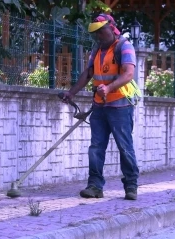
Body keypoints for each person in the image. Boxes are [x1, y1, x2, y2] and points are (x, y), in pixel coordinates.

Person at [61, 13, 140, 200]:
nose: (98, 35)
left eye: (101, 31)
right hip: (99, 107)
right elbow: (88, 74)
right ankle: (95, 186)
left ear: (112, 28)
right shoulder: (97, 50)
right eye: (96, 32)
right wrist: (71, 93)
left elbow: (128, 74)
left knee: (124, 147)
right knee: (96, 148)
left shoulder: (124, 46)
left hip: (121, 106)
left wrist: (110, 87)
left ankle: (131, 186)